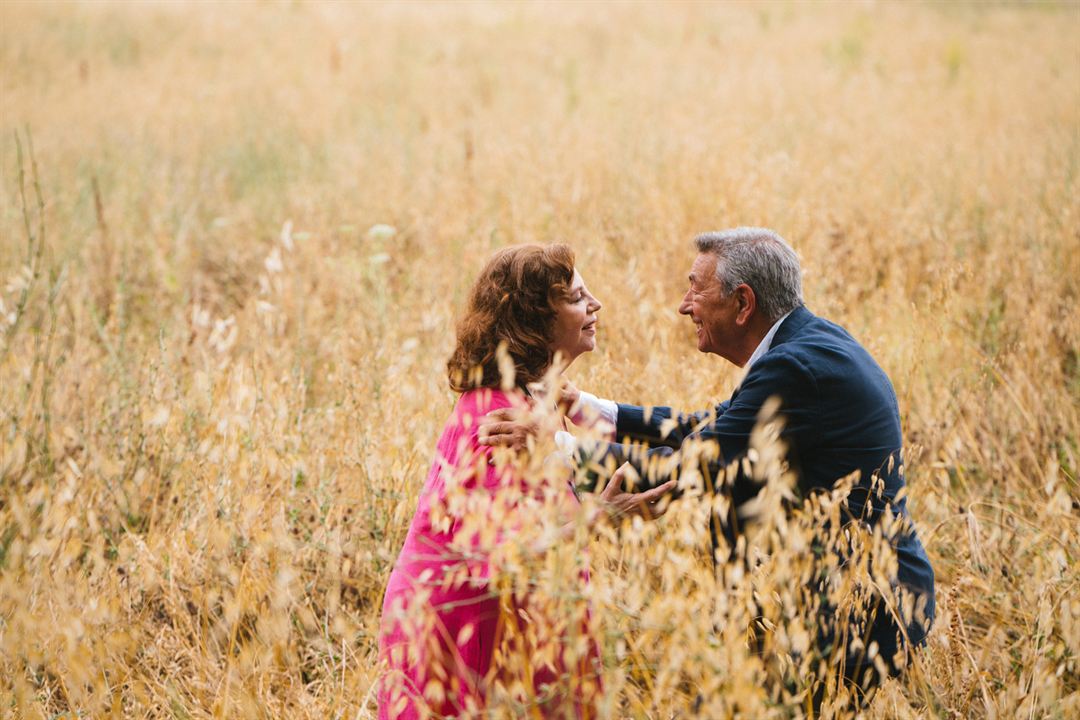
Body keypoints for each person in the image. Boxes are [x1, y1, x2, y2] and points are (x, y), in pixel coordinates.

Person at [481, 227, 936, 705]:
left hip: (856, 611)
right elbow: (713, 428)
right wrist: (597, 409)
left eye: (697, 288)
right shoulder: (806, 345)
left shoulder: (795, 368)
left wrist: (560, 449)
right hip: (858, 596)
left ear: (743, 303)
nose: (683, 305)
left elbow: (696, 463)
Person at [378, 243, 606, 719]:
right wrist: (603, 514)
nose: (595, 305)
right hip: (465, 648)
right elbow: (505, 560)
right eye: (578, 297)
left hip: (499, 643)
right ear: (537, 320)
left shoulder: (529, 403)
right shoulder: (499, 418)